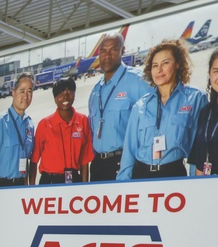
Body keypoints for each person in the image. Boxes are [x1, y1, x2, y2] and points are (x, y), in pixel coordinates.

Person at [118, 39, 206, 180]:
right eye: (155, 65)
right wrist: (123, 184)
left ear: (178, 64)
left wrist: (197, 182)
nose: (159, 70)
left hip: (174, 174)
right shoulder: (140, 106)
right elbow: (129, 151)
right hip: (141, 174)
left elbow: (200, 148)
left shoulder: (196, 99)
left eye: (165, 63)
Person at [88, 32, 152, 181]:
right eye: (103, 51)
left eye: (113, 50)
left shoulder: (138, 81)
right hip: (98, 165)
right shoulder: (96, 91)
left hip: (124, 162)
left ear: (122, 51)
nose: (107, 55)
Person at [32, 77, 94, 184]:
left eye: (69, 91)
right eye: (60, 93)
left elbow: (85, 161)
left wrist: (85, 186)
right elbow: (34, 160)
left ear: (74, 95)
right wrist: (30, 189)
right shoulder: (44, 124)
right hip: (50, 182)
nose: (65, 96)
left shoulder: (83, 121)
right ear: (55, 98)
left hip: (74, 180)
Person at [0, 72, 36, 186]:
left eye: (29, 92)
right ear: (13, 92)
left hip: (21, 185)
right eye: (22, 91)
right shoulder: (0, 122)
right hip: (2, 184)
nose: (26, 97)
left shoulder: (30, 124)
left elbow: (26, 159)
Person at [189, 48, 218, 176]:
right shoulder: (205, 111)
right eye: (216, 71)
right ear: (209, 74)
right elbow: (199, 158)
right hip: (207, 186)